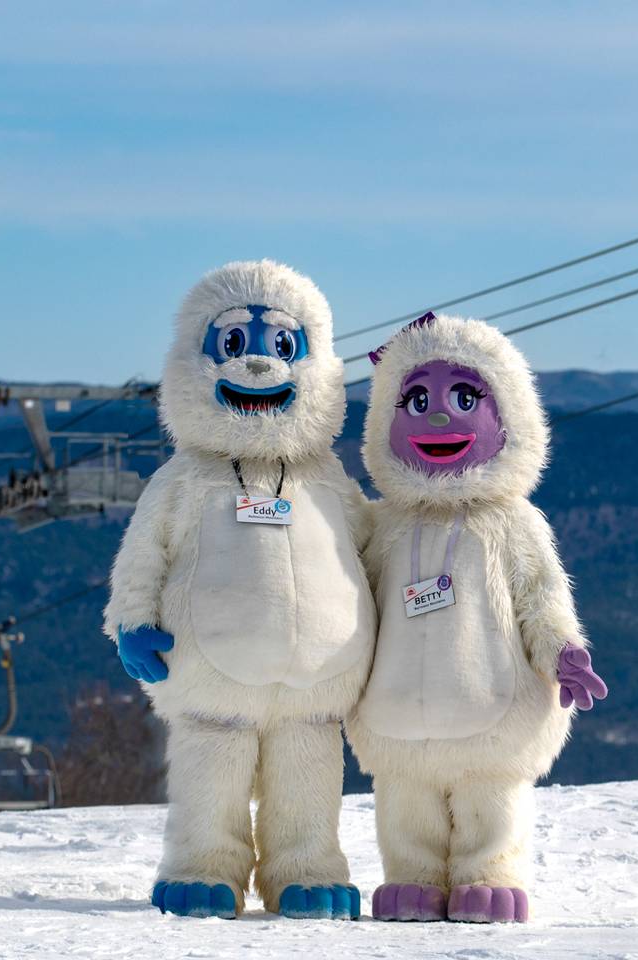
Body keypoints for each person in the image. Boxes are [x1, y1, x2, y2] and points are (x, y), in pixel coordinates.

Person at [104, 260, 376, 920]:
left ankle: (305, 868)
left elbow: (371, 541)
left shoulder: (326, 474)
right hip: (207, 674)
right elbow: (141, 555)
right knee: (210, 772)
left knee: (308, 778)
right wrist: (132, 620)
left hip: (316, 681)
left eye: (282, 346)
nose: (258, 365)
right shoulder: (185, 476)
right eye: (232, 345)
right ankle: (204, 866)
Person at [351, 313, 607, 924]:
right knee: (403, 800)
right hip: (395, 708)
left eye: (465, 397)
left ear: (510, 415)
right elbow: (348, 592)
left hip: (492, 700)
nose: (439, 417)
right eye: (415, 399)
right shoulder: (383, 526)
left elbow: (542, 596)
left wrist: (562, 651)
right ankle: (410, 876)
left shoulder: (513, 522)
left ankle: (489, 875)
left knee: (490, 797)